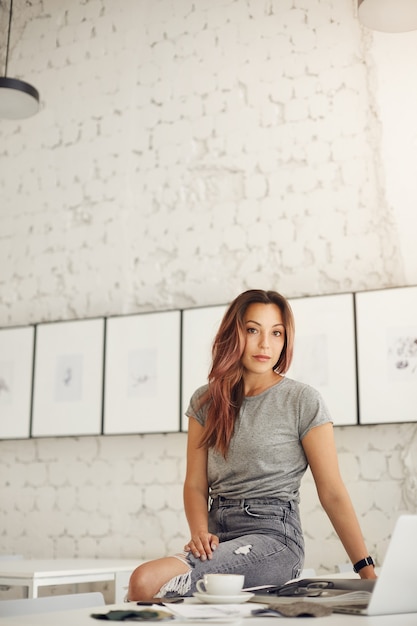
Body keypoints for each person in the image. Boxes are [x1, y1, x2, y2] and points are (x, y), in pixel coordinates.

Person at [128, 289, 376, 601]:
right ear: (234, 333)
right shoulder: (205, 401)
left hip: (274, 538)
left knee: (145, 580)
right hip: (218, 534)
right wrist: (200, 533)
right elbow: (195, 483)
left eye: (276, 333)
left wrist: (366, 571)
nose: (265, 344)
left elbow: (332, 492)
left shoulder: (302, 400)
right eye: (252, 330)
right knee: (157, 591)